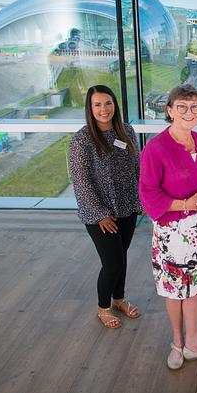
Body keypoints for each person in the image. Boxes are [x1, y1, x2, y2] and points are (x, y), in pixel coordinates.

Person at [139, 84, 197, 370]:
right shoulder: (155, 148)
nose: (189, 112)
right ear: (170, 111)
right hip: (172, 232)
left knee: (195, 287)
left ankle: (194, 345)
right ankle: (177, 342)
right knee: (175, 290)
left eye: (194, 107)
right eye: (182, 107)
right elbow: (149, 195)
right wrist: (188, 203)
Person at [69, 85, 143, 330]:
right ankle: (103, 307)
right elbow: (81, 182)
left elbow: (137, 166)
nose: (104, 109)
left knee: (121, 257)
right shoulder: (82, 140)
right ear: (90, 108)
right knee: (112, 262)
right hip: (100, 212)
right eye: (97, 104)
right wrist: (100, 214)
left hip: (127, 206)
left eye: (108, 103)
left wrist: (141, 199)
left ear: (115, 105)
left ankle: (119, 299)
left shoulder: (126, 131)